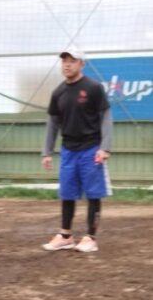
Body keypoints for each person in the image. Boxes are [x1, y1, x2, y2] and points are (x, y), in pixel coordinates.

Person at [41, 48, 113, 253]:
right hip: (68, 150)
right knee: (67, 193)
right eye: (64, 60)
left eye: (72, 60)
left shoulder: (93, 87)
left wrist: (105, 147)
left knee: (93, 193)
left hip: (91, 149)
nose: (67, 64)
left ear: (82, 63)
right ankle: (66, 236)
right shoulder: (58, 92)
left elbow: (106, 117)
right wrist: (46, 152)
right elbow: (53, 123)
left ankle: (91, 238)